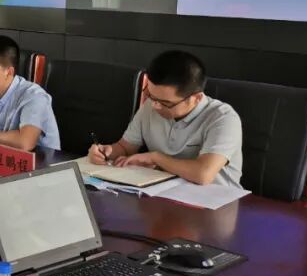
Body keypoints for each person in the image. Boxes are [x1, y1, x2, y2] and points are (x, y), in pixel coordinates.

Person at [89, 50, 243, 187]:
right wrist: (107, 151)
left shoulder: (223, 118)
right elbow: (125, 148)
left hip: (218, 201)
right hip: (164, 193)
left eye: (165, 103)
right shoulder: (151, 105)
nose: (155, 106)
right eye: (150, 95)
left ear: (196, 98)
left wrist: (156, 158)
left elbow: (203, 174)